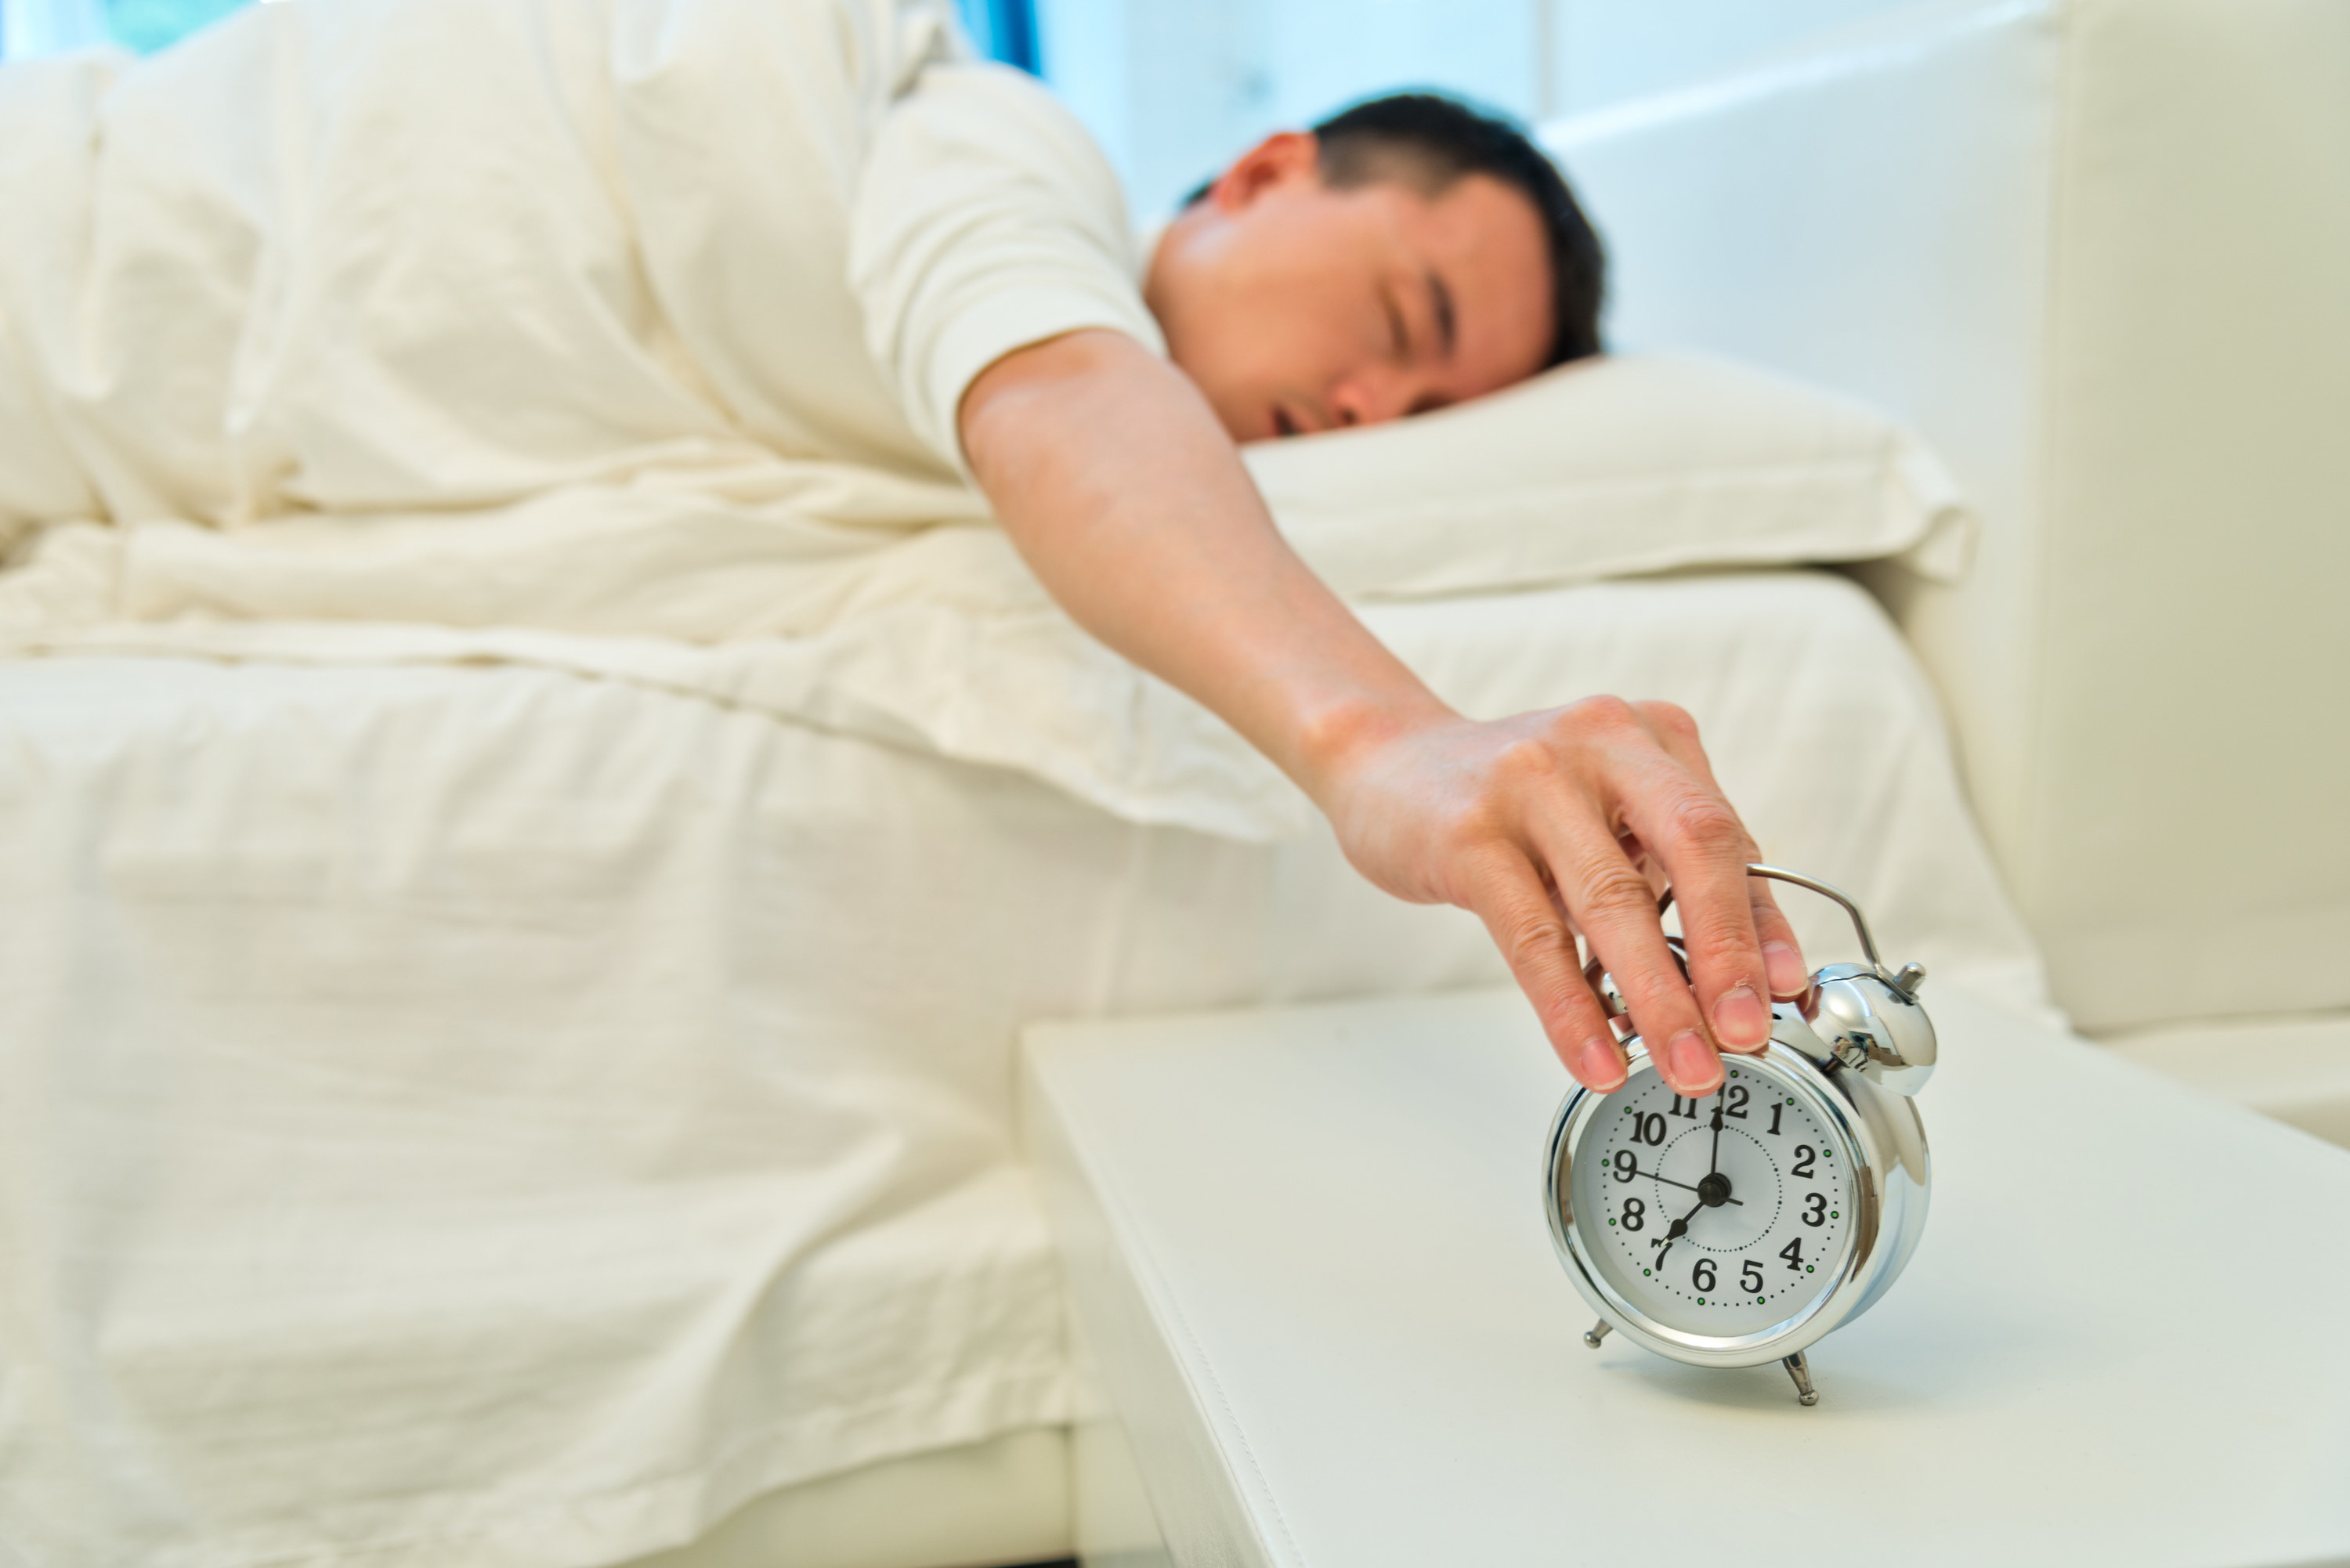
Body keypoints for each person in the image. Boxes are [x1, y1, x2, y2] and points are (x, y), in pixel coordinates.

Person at [0, 0, 1806, 1098]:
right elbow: (1053, 377)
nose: (1357, 410)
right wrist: (1377, 738)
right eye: (1398, 322)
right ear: (1262, 174)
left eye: (1422, 418)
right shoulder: (1001, 142)